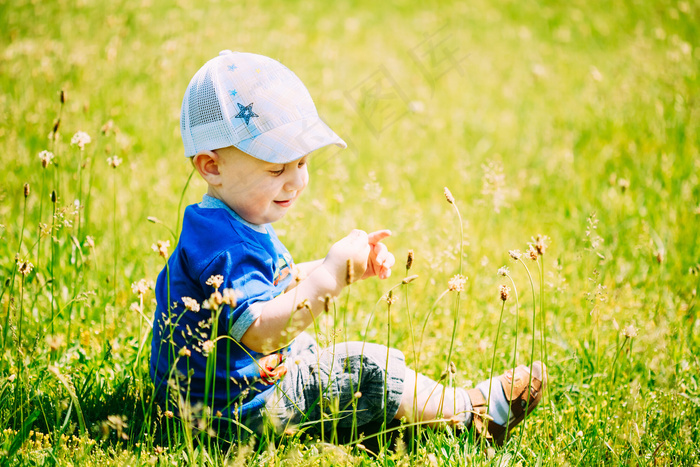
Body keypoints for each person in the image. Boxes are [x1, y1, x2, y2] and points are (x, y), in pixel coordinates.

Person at [150, 50, 547, 445]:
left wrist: (344, 268)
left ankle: (391, 410)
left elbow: (272, 285)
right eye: (276, 169)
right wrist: (330, 276)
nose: (297, 182)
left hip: (215, 398)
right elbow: (259, 335)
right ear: (212, 166)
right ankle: (473, 413)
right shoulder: (226, 246)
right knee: (361, 367)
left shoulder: (223, 220)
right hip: (231, 415)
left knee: (309, 350)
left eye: (302, 162)